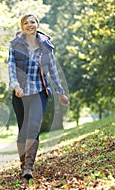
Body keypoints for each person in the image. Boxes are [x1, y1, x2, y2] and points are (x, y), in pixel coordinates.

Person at [8, 13, 69, 180]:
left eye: (32, 22)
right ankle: (22, 163)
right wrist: (15, 86)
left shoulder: (46, 46)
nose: (30, 25)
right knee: (23, 130)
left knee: (34, 127)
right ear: (22, 26)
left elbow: (53, 70)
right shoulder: (15, 45)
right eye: (26, 23)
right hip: (20, 93)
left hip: (39, 91)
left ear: (37, 24)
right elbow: (11, 67)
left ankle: (28, 166)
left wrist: (60, 92)